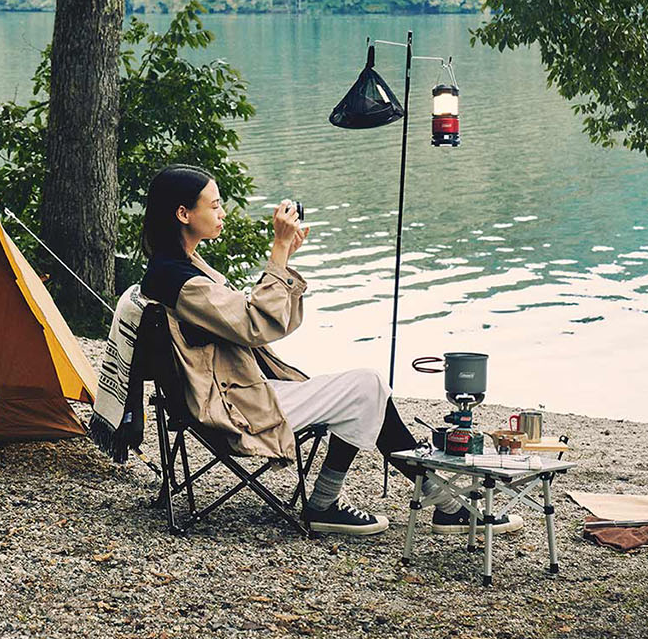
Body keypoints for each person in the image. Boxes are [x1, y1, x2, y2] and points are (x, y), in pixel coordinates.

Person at [139, 164, 522, 537]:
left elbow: (255, 323)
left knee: (365, 390)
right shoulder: (181, 279)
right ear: (183, 214)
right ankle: (431, 505)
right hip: (231, 408)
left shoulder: (175, 268)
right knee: (367, 387)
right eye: (215, 205)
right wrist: (278, 250)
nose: (222, 212)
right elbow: (257, 326)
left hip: (231, 392)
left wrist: (284, 259)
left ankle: (436, 504)